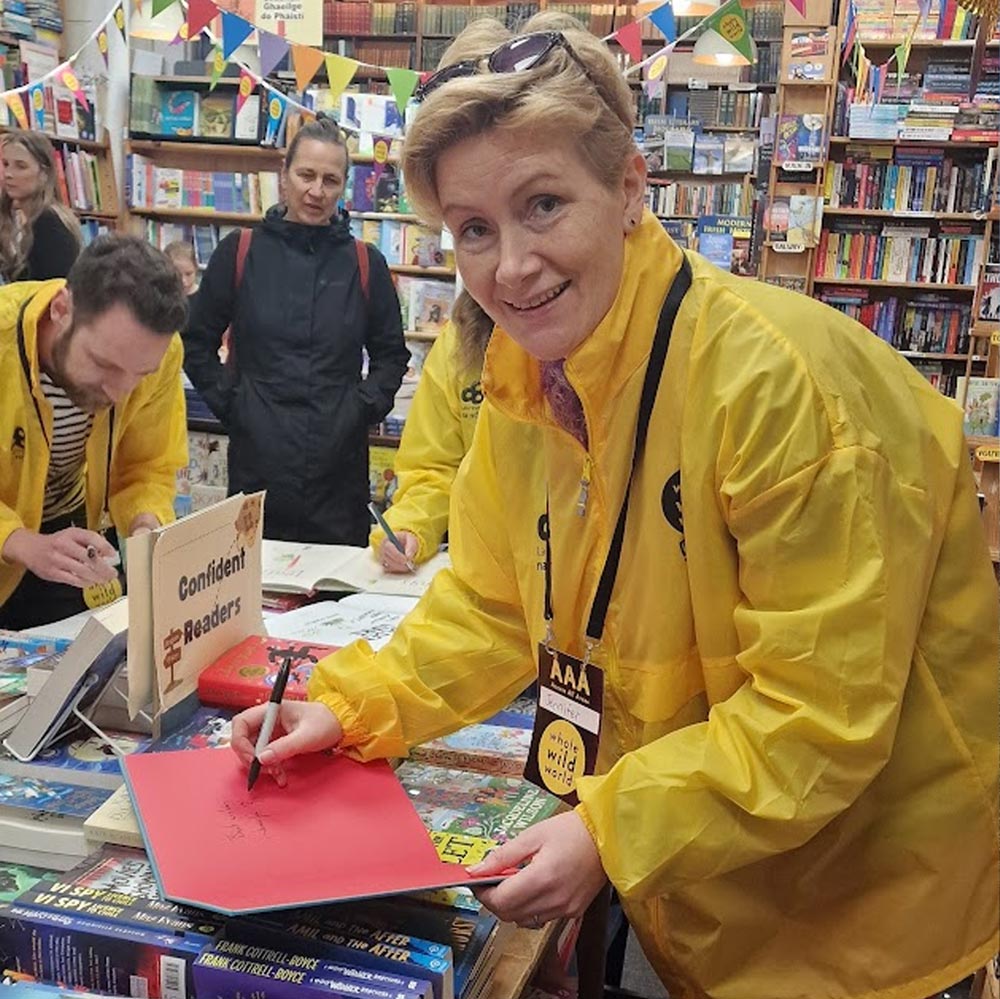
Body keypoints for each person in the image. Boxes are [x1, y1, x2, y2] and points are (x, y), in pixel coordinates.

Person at [231, 15, 1000, 999]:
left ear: (629, 187)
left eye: (542, 203)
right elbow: (494, 609)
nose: (508, 266)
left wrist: (608, 828)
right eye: (472, 228)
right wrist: (345, 708)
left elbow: (820, 718)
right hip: (704, 891)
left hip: (866, 921)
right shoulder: (525, 380)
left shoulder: (777, 384)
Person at [183, 115, 409, 545]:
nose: (316, 191)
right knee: (254, 592)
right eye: (306, 175)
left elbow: (391, 355)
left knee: (336, 598)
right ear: (283, 175)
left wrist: (359, 408)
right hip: (258, 460)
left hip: (338, 471)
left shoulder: (365, 263)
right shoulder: (240, 252)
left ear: (343, 186)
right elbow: (196, 341)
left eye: (330, 179)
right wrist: (235, 404)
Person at [0, 234, 189, 629]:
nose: (119, 392)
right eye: (104, 364)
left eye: (140, 375)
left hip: (67, 536)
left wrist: (145, 524)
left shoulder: (159, 352)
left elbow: (149, 464)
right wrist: (20, 542)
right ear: (61, 309)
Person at [371, 289, 492, 571]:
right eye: (477, 241)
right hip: (486, 566)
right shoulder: (460, 341)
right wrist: (409, 527)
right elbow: (433, 468)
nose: (510, 267)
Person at [0, 131, 81, 283]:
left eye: (21, 166)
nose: (8, 174)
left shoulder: (49, 222)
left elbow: (49, 293)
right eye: (6, 164)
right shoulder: (19, 219)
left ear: (44, 173)